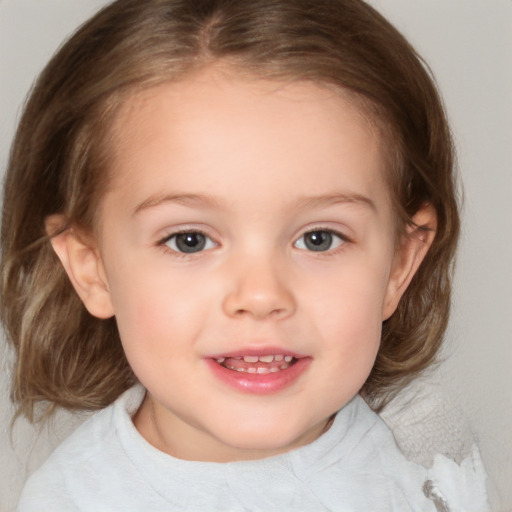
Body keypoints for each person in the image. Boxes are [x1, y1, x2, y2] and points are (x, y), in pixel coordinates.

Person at [0, 0, 490, 510]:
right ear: (92, 268)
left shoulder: (433, 467)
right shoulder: (72, 500)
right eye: (189, 240)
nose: (260, 295)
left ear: (399, 264)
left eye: (319, 238)